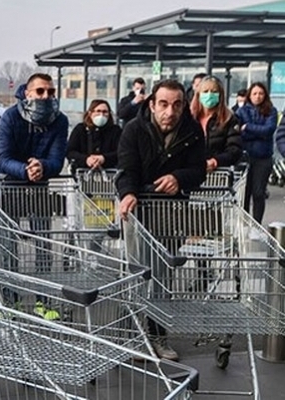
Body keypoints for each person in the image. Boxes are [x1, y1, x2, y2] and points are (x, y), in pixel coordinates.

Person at [116, 79, 206, 361]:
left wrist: (179, 178)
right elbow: (126, 169)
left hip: (171, 213)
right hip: (138, 210)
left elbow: (198, 170)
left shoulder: (191, 131)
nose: (171, 111)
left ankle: (158, 335)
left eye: (177, 104)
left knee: (163, 275)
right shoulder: (133, 129)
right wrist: (128, 193)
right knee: (136, 273)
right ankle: (134, 336)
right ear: (152, 105)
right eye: (164, 104)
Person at [0, 72, 68, 317]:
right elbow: (3, 159)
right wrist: (26, 170)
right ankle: (10, 302)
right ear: (27, 93)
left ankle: (44, 301)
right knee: (7, 246)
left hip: (40, 188)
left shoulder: (59, 121)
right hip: (10, 186)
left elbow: (57, 159)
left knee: (44, 245)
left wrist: (42, 167)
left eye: (50, 92)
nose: (46, 96)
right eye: (40, 91)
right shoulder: (10, 117)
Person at [236, 82, 277, 224]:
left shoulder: (271, 111)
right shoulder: (241, 111)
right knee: (244, 193)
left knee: (258, 193)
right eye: (254, 93)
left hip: (263, 158)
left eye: (261, 93)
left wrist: (248, 127)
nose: (258, 96)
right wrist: (257, 132)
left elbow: (269, 130)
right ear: (249, 95)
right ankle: (244, 223)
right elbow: (239, 134)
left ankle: (256, 224)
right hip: (245, 157)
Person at [190, 76, 243, 171]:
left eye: (214, 92)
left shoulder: (229, 119)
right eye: (205, 91)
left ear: (220, 95)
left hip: (219, 175)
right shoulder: (189, 119)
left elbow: (234, 149)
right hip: (192, 172)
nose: (209, 95)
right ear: (198, 95)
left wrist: (216, 161)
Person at [66, 99, 122, 174]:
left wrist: (104, 158)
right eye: (98, 111)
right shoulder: (80, 129)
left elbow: (121, 152)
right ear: (90, 113)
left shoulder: (116, 131)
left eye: (105, 112)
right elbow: (70, 151)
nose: (101, 114)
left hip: (110, 174)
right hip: (82, 174)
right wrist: (86, 159)